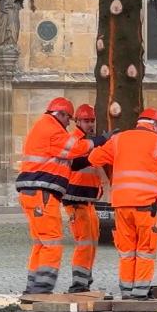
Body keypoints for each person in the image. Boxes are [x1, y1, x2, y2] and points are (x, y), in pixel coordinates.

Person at [89, 108, 157, 299]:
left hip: (121, 206)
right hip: (145, 207)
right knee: (145, 250)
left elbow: (94, 158)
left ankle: (126, 290)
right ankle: (140, 292)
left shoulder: (119, 139)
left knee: (126, 251)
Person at [15, 97, 108, 294]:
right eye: (69, 118)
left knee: (41, 242)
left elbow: (72, 162)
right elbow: (74, 148)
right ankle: (42, 289)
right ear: (62, 114)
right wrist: (101, 140)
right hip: (42, 193)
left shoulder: (45, 127)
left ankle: (33, 287)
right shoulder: (52, 128)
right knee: (51, 241)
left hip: (33, 193)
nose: (69, 123)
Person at [62, 104, 106, 293]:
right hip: (75, 199)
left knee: (92, 240)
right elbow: (76, 163)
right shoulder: (76, 140)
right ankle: (79, 282)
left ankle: (85, 277)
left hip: (87, 200)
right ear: (77, 121)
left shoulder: (89, 142)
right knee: (84, 241)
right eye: (86, 121)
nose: (90, 124)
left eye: (92, 121)